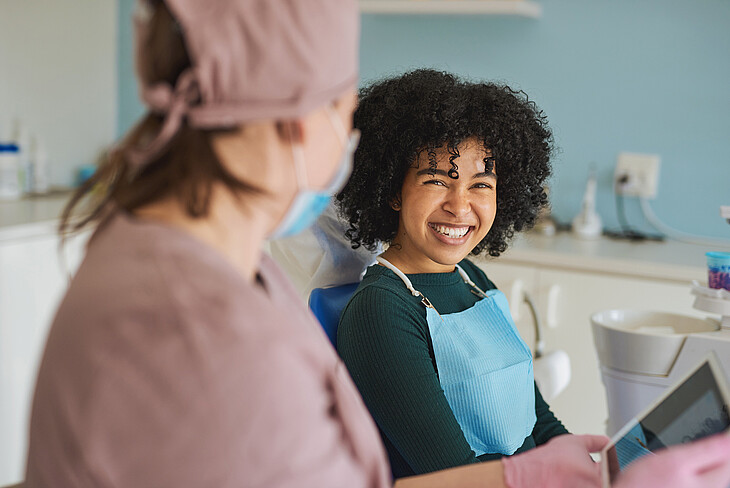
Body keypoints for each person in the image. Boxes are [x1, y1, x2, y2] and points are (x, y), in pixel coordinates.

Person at [22, 0, 730, 487]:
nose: (349, 138)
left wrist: (554, 467)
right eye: (341, 107)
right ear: (298, 120)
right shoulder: (188, 329)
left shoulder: (215, 265)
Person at [335, 69, 567, 478]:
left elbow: (539, 422)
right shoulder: (381, 311)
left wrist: (599, 466)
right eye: (436, 181)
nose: (460, 208)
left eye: (481, 185)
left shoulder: (472, 279)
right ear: (391, 190)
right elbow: (454, 476)